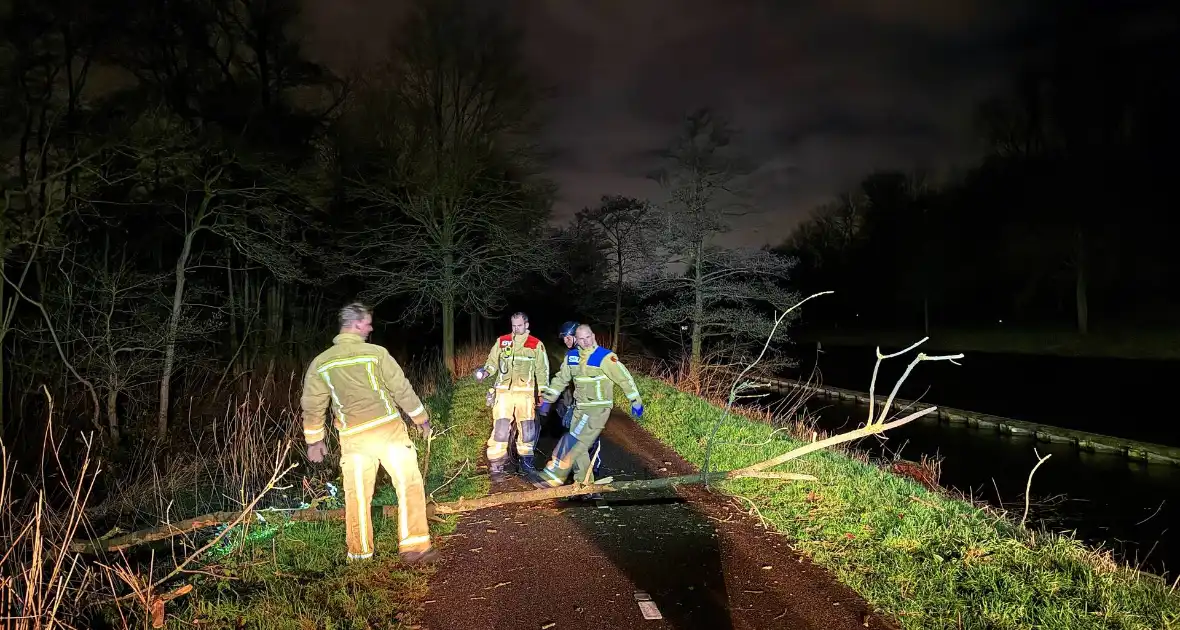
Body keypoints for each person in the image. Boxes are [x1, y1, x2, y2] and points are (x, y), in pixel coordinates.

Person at [299, 302, 437, 564]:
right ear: (356, 324)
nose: (371, 327)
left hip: (354, 439)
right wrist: (421, 418)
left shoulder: (321, 363)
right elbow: (401, 389)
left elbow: (313, 404)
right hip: (389, 431)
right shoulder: (376, 354)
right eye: (368, 323)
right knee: (408, 484)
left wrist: (314, 441)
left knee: (357, 496)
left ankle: (360, 554)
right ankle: (415, 547)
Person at [532, 324, 642, 490]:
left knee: (573, 441)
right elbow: (561, 379)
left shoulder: (604, 357)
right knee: (580, 447)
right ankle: (585, 483)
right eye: (582, 339)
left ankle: (554, 475)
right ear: (578, 339)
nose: (586, 342)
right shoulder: (572, 357)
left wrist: (635, 401)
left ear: (593, 336)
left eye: (588, 337)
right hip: (580, 408)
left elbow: (624, 379)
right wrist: (548, 399)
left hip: (597, 408)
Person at [474, 312, 550, 481]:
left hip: (525, 395)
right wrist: (486, 372)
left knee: (527, 430)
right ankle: (496, 465)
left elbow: (542, 371)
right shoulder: (502, 342)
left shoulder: (536, 345)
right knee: (500, 429)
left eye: (519, 325)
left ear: (527, 325)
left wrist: (542, 393)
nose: (516, 329)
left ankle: (526, 464)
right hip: (503, 393)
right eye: (513, 325)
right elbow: (492, 362)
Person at [552, 321, 602, 479]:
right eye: (564, 339)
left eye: (568, 338)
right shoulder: (570, 355)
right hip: (572, 403)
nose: (565, 342)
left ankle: (591, 474)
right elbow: (565, 379)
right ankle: (581, 478)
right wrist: (561, 402)